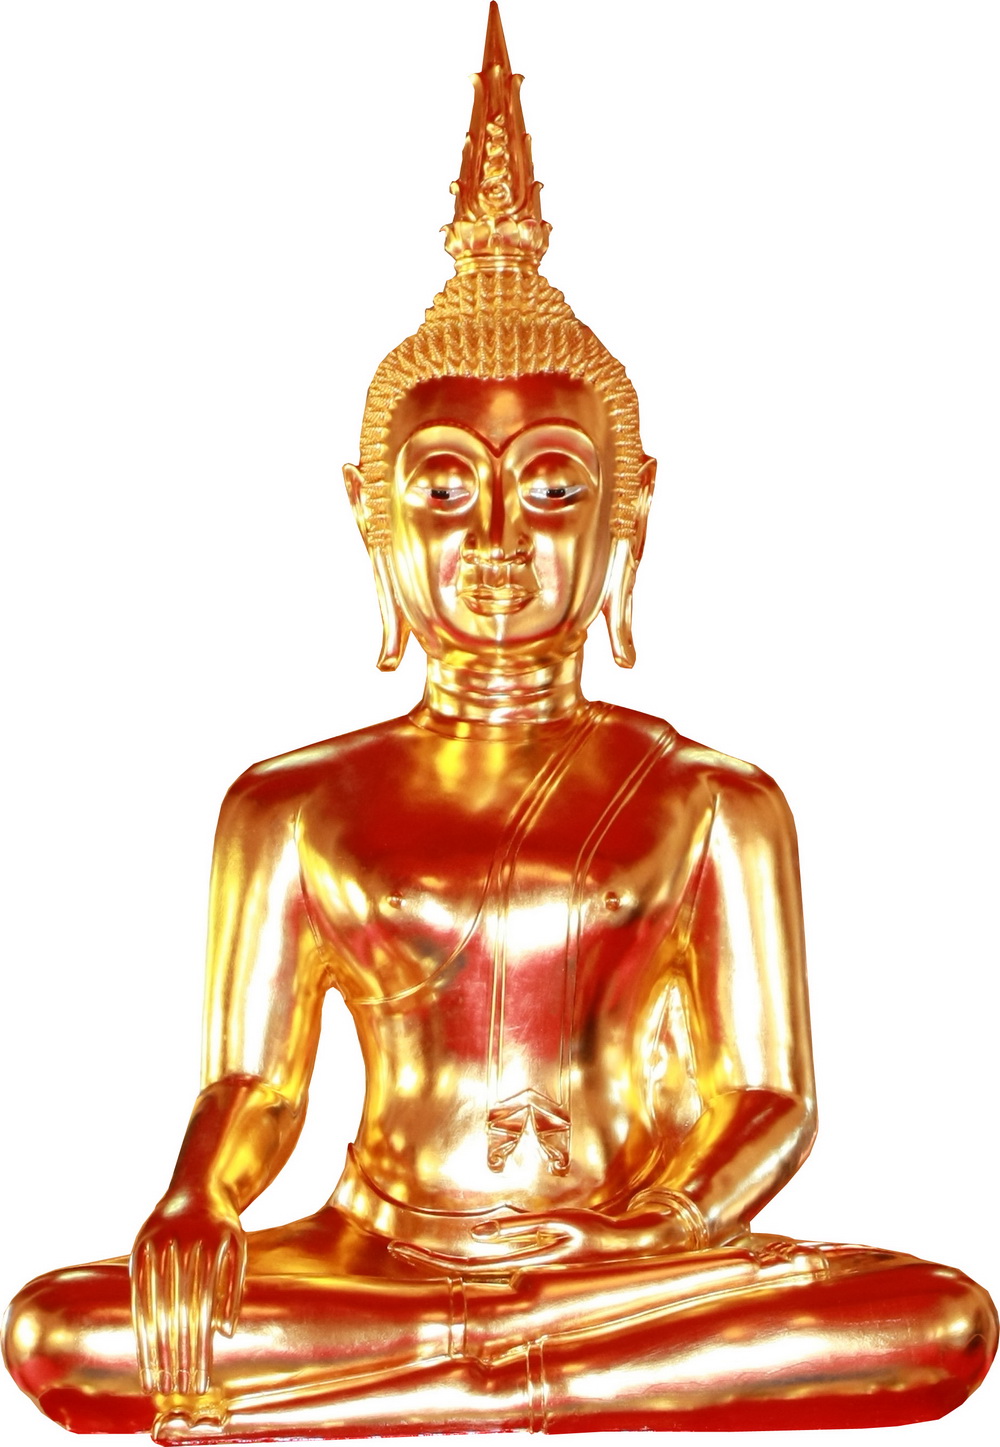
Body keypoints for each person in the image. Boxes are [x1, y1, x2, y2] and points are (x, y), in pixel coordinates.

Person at [4, 7, 996, 1440]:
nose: (497, 540)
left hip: (626, 1262)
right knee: (61, 1330)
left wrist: (655, 1228)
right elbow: (253, 1082)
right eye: (446, 488)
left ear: (628, 515)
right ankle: (491, 1364)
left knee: (938, 1321)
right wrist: (194, 1202)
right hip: (376, 1258)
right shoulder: (289, 804)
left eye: (550, 489)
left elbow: (773, 1100)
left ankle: (465, 1377)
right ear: (372, 518)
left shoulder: (712, 798)